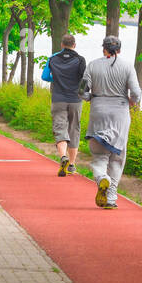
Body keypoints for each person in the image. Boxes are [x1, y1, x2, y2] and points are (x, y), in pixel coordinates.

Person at [83, 36, 140, 209]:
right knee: (117, 157)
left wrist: (90, 98)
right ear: (120, 50)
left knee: (100, 155)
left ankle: (101, 177)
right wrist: (132, 101)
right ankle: (111, 197)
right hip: (120, 114)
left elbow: (81, 91)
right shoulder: (127, 66)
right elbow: (136, 92)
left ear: (104, 49)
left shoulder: (92, 65)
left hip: (98, 111)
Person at [47, 33, 87, 176]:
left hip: (58, 99)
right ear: (74, 45)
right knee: (74, 129)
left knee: (60, 128)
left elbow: (45, 76)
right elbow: (84, 79)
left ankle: (63, 156)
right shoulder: (80, 60)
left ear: (61, 45)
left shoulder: (52, 59)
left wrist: (56, 78)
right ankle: (71, 165)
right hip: (75, 100)